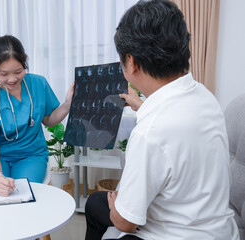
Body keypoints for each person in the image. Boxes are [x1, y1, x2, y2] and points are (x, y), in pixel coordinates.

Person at [85, 0, 239, 239]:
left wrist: (116, 209)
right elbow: (174, 132)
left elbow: (125, 223)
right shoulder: (205, 97)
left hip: (174, 234)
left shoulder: (150, 132)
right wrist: (144, 106)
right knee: (96, 202)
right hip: (218, 231)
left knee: (104, 206)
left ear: (131, 62)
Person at [0, 35, 73, 196]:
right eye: (4, 74)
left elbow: (49, 120)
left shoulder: (39, 84)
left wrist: (67, 104)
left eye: (18, 71)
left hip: (30, 155)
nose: (12, 79)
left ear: (24, 61)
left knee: (22, 195)